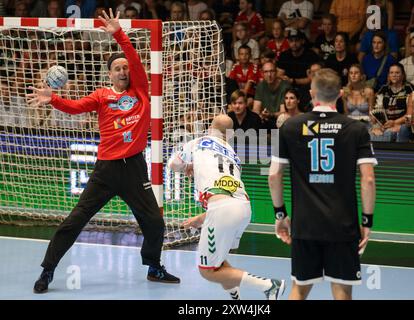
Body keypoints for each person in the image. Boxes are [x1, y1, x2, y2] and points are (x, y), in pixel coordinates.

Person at [27, 9, 179, 294]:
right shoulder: (101, 95)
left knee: (155, 221)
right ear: (109, 74)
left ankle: (154, 267)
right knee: (75, 220)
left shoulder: (141, 91)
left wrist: (119, 35)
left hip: (134, 168)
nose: (123, 70)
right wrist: (54, 99)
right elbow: (75, 108)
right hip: (106, 170)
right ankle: (48, 271)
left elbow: (134, 59)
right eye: (117, 68)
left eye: (125, 67)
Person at [268, 68, 377, 300]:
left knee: (299, 288)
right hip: (343, 225)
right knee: (342, 291)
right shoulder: (356, 129)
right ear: (340, 94)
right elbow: (368, 179)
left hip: (305, 224)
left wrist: (280, 216)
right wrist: (367, 221)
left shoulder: (290, 126)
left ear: (311, 93)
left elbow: (274, 175)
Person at [169, 114, 285, 300]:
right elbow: (225, 197)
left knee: (207, 271)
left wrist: (187, 167)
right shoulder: (233, 154)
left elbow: (173, 164)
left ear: (209, 129)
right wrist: (199, 219)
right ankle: (234, 296)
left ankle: (269, 285)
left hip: (223, 210)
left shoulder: (199, 142)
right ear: (229, 135)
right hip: (244, 209)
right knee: (219, 260)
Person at [370, 63, 414, 142]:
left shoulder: (410, 89)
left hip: (403, 124)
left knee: (388, 134)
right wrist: (380, 125)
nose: (394, 75)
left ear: (403, 75)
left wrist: (395, 123)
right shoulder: (384, 89)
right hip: (386, 124)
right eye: (391, 73)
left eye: (397, 73)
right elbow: (379, 109)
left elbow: (412, 113)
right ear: (388, 75)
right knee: (372, 133)